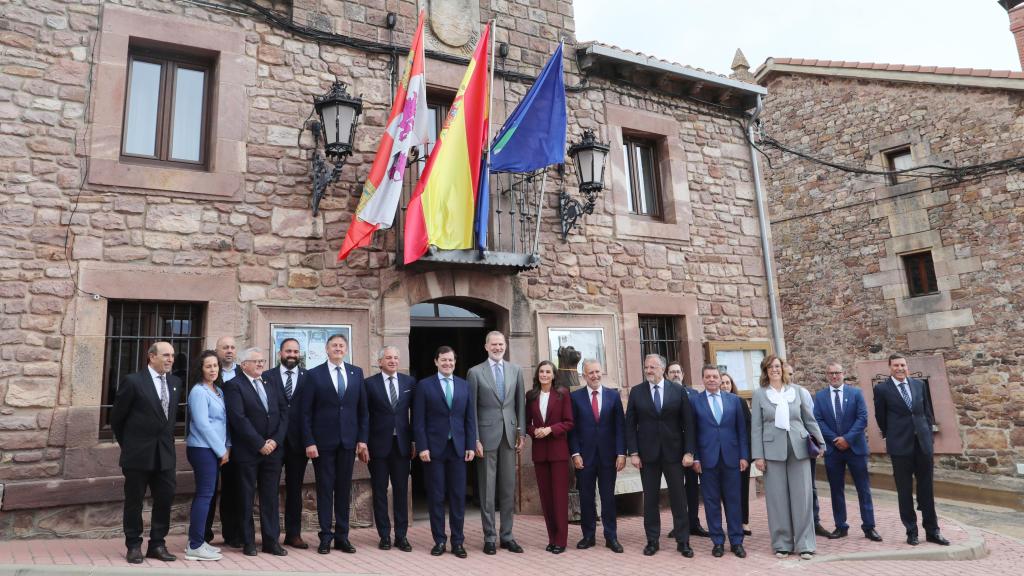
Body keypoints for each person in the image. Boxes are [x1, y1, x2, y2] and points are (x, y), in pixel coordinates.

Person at [110, 341, 180, 564]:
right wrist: (130, 445)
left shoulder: (176, 382)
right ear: (151, 357)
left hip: (165, 454)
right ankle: (133, 545)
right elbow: (117, 420)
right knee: (134, 502)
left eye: (172, 355)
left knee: (165, 499)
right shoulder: (133, 381)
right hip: (138, 454)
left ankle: (157, 544)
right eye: (165, 355)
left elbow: (168, 420)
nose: (170, 359)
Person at [751, 355, 824, 560]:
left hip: (799, 448)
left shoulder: (798, 391)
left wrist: (821, 442)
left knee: (803, 498)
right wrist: (758, 455)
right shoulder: (760, 395)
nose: (774, 370)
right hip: (772, 452)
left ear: (783, 369)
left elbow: (809, 419)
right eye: (770, 367)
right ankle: (782, 543)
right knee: (777, 499)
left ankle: (805, 544)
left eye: (777, 366)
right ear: (765, 371)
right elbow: (756, 427)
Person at [301, 333, 369, 554]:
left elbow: (363, 411)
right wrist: (309, 441)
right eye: (334, 346)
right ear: (327, 350)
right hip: (322, 443)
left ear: (346, 349)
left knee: (343, 489)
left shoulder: (356, 373)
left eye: (341, 345)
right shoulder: (314, 375)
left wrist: (362, 439)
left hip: (348, 442)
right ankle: (325, 536)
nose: (338, 348)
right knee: (325, 488)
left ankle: (342, 536)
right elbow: (305, 413)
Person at [625, 353, 697, 558]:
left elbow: (688, 424)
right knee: (650, 500)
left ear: (662, 369)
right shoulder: (637, 392)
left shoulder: (678, 390)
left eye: (652, 367)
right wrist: (634, 452)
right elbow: (629, 424)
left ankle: (683, 541)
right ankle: (652, 541)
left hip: (674, 454)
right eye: (646, 367)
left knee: (678, 499)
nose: (648, 370)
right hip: (647, 456)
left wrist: (689, 451)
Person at [874, 353, 948, 546]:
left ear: (907, 366)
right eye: (896, 365)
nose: (900, 368)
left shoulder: (919, 385)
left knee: (927, 489)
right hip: (900, 446)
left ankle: (932, 531)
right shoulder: (882, 389)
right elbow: (880, 417)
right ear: (889, 367)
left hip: (923, 444)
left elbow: (927, 411)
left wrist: (928, 433)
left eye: (903, 365)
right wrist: (893, 435)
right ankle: (911, 531)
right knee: (904, 491)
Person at [223, 347, 289, 557]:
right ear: (244, 365)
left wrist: (275, 441)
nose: (261, 364)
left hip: (272, 452)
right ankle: (248, 541)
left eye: (262, 360)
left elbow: (283, 413)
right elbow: (238, 419)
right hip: (248, 452)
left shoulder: (271, 382)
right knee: (246, 497)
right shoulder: (234, 386)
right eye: (256, 361)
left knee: (270, 497)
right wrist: (259, 443)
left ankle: (271, 541)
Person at [413, 346, 477, 558]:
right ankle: (439, 540)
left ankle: (458, 542)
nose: (447, 363)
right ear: (436, 361)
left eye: (450, 360)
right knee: (436, 496)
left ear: (454, 362)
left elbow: (470, 418)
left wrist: (470, 445)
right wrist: (422, 446)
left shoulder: (464, 385)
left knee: (458, 497)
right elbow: (418, 420)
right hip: (434, 449)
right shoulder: (424, 386)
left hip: (458, 449)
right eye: (443, 360)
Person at [466, 331, 526, 555]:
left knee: (508, 488)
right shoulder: (475, 372)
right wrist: (475, 439)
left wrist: (521, 432)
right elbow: (470, 409)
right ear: (486, 346)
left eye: (501, 344)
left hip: (509, 435)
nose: (498, 347)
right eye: (494, 344)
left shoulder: (516, 370)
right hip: (486, 437)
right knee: (487, 489)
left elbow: (519, 403)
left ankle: (507, 536)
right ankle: (489, 536)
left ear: (505, 345)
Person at [813, 361, 880, 542]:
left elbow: (862, 418)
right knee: (836, 490)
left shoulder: (856, 393)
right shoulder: (820, 397)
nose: (834, 376)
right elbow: (818, 420)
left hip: (855, 449)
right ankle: (840, 526)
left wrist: (847, 439)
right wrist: (836, 439)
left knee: (863, 489)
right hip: (833, 451)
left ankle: (869, 527)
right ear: (827, 376)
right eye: (830, 373)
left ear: (844, 374)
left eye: (837, 373)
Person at [568, 359, 625, 553]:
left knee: (608, 497)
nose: (595, 376)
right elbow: (572, 429)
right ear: (584, 376)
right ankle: (588, 535)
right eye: (590, 373)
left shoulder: (613, 396)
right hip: (585, 456)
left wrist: (621, 453)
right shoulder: (575, 397)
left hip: (609, 456)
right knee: (586, 497)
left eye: (597, 372)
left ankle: (611, 536)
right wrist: (575, 453)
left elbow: (620, 427)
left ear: (602, 373)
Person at [692, 365, 749, 558]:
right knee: (711, 502)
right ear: (703, 379)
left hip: (731, 458)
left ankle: (736, 541)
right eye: (707, 377)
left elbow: (741, 431)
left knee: (733, 501)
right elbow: (693, 433)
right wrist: (696, 457)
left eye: (715, 376)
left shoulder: (734, 401)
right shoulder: (695, 401)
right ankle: (717, 541)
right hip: (707, 460)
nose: (711, 379)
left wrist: (743, 456)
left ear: (720, 378)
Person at [365, 346, 416, 552]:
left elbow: (416, 414)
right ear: (380, 362)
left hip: (402, 446)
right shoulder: (369, 384)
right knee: (379, 491)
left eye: (396, 357)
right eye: (388, 358)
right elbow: (364, 416)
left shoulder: (409, 382)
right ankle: (384, 535)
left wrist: (414, 442)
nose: (393, 361)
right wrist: (363, 443)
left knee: (401, 491)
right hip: (377, 446)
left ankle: (401, 535)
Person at [261, 338, 310, 549]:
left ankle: (293, 534)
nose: (292, 354)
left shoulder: (309, 377)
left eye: (296, 351)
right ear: (280, 353)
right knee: (269, 489)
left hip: (298, 443)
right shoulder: (267, 376)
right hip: (273, 442)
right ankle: (270, 536)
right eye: (288, 351)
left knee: (295, 489)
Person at [526, 361, 575, 554]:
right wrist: (534, 431)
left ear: (553, 375)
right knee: (546, 499)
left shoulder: (562, 394)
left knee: (559, 497)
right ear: (537, 375)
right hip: (540, 453)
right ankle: (551, 538)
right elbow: (526, 422)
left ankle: (561, 540)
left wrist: (550, 430)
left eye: (548, 372)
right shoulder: (531, 396)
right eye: (541, 372)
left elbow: (569, 422)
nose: (544, 375)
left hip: (558, 452)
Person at [184, 350, 229, 561]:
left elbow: (223, 423)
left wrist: (225, 446)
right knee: (204, 495)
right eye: (208, 366)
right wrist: (222, 450)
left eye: (215, 366)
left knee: (208, 495)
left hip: (214, 449)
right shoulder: (199, 391)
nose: (213, 369)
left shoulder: (218, 390)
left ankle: (199, 541)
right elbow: (202, 424)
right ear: (200, 369)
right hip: (202, 449)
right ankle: (194, 545)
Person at [668, 361, 708, 539]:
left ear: (683, 374)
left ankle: (694, 522)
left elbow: (697, 423)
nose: (675, 375)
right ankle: (679, 525)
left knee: (692, 487)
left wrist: (694, 451)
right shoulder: (664, 394)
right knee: (676, 489)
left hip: (691, 448)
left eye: (678, 372)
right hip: (672, 449)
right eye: (672, 372)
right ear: (667, 375)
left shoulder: (694, 394)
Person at [210, 335, 242, 548]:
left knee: (233, 489)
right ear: (217, 350)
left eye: (232, 347)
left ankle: (232, 534)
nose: (229, 351)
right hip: (212, 440)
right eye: (224, 347)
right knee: (208, 490)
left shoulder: (243, 372)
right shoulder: (210, 372)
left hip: (238, 440)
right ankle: (203, 535)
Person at [719, 373, 753, 536]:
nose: (725, 386)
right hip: (722, 455)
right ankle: (732, 522)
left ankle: (744, 521)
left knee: (742, 490)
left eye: (727, 383)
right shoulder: (716, 403)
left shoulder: (739, 402)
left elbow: (747, 430)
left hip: (740, 455)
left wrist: (746, 455)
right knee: (727, 492)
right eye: (722, 383)